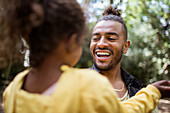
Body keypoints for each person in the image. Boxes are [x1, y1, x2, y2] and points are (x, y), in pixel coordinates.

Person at [1, 0, 170, 113]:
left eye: (111, 38)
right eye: (93, 38)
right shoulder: (88, 87)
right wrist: (152, 92)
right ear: (71, 41)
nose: (101, 44)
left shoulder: (13, 90)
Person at [89, 5, 160, 113]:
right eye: (96, 38)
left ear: (125, 46)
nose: (101, 44)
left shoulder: (140, 92)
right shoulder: (76, 85)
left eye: (111, 38)